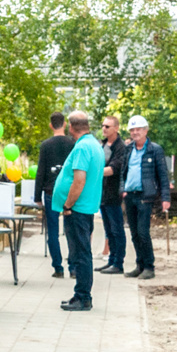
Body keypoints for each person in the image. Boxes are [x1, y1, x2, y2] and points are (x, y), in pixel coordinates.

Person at [54, 111, 104, 311]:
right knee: (82, 252)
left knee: (81, 253)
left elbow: (79, 180)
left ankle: (83, 297)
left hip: (78, 208)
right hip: (86, 207)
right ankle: (81, 294)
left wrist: (67, 204)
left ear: (71, 128)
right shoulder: (94, 145)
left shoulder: (83, 147)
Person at [119, 115, 172, 280]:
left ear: (145, 130)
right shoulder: (128, 149)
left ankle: (149, 266)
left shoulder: (155, 150)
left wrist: (165, 198)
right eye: (132, 130)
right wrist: (123, 189)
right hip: (130, 195)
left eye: (138, 129)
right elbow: (123, 173)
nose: (135, 133)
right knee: (134, 233)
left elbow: (163, 176)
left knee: (143, 232)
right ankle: (140, 265)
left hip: (145, 196)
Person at [35, 111, 75, 278]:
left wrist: (37, 197)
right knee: (71, 229)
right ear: (65, 124)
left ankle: (58, 267)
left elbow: (41, 171)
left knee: (52, 230)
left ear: (51, 125)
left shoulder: (46, 145)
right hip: (69, 192)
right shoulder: (73, 143)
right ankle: (73, 268)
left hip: (51, 191)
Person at [97, 116, 128, 274]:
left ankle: (118, 263)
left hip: (114, 193)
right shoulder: (102, 145)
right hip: (102, 194)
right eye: (103, 126)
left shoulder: (120, 147)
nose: (104, 129)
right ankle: (111, 260)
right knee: (108, 230)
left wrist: (94, 172)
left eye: (108, 126)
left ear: (116, 128)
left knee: (117, 229)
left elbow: (114, 169)